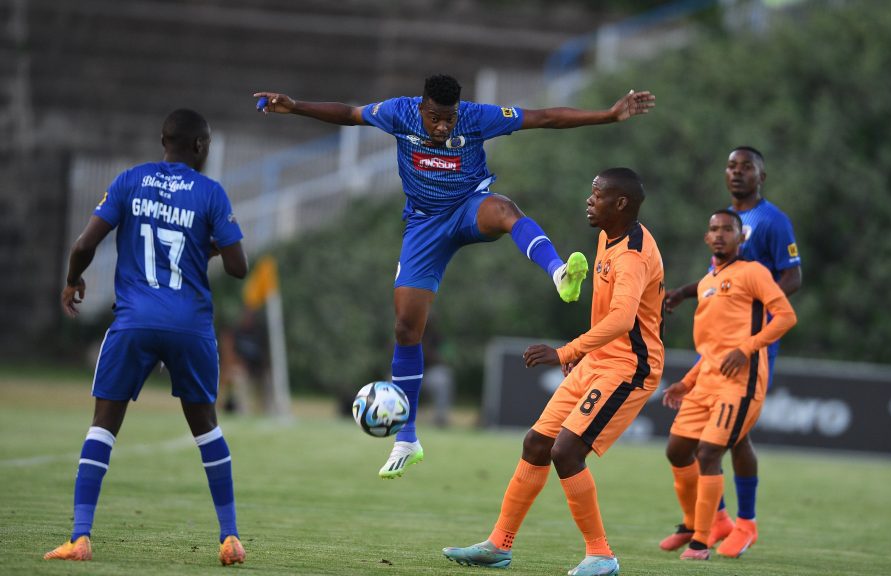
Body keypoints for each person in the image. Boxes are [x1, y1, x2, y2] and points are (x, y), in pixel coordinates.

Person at [254, 74, 656, 479]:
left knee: (503, 210)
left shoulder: (476, 118)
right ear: (421, 109)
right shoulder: (398, 112)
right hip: (424, 226)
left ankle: (559, 274)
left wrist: (607, 114)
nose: (443, 127)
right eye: (435, 118)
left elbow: (544, 117)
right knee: (406, 327)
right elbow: (351, 114)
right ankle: (407, 438)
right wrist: (296, 105)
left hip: (468, 208)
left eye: (449, 118)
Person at [45, 109, 250, 566]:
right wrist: (209, 246)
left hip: (134, 322)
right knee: (207, 429)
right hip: (190, 328)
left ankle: (80, 538)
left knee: (102, 427)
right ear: (199, 147)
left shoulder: (129, 181)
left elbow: (83, 245)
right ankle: (230, 535)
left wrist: (73, 279)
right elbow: (239, 268)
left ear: (164, 141)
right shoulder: (210, 193)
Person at [442, 168, 663, 576]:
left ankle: (601, 556)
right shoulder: (607, 236)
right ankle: (498, 545)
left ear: (621, 204)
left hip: (629, 367)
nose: (589, 200)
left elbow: (622, 319)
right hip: (598, 360)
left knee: (566, 451)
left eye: (597, 195)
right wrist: (584, 355)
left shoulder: (632, 254)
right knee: (537, 444)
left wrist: (566, 352)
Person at [661, 146, 802, 557]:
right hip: (720, 346)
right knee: (722, 441)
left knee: (734, 438)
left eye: (747, 167)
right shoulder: (727, 220)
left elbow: (792, 276)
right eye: (731, 166)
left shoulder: (773, 221)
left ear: (762, 176)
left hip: (753, 344)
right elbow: (717, 278)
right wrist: (687, 293)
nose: (738, 173)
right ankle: (713, 520)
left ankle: (742, 523)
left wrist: (756, 306)